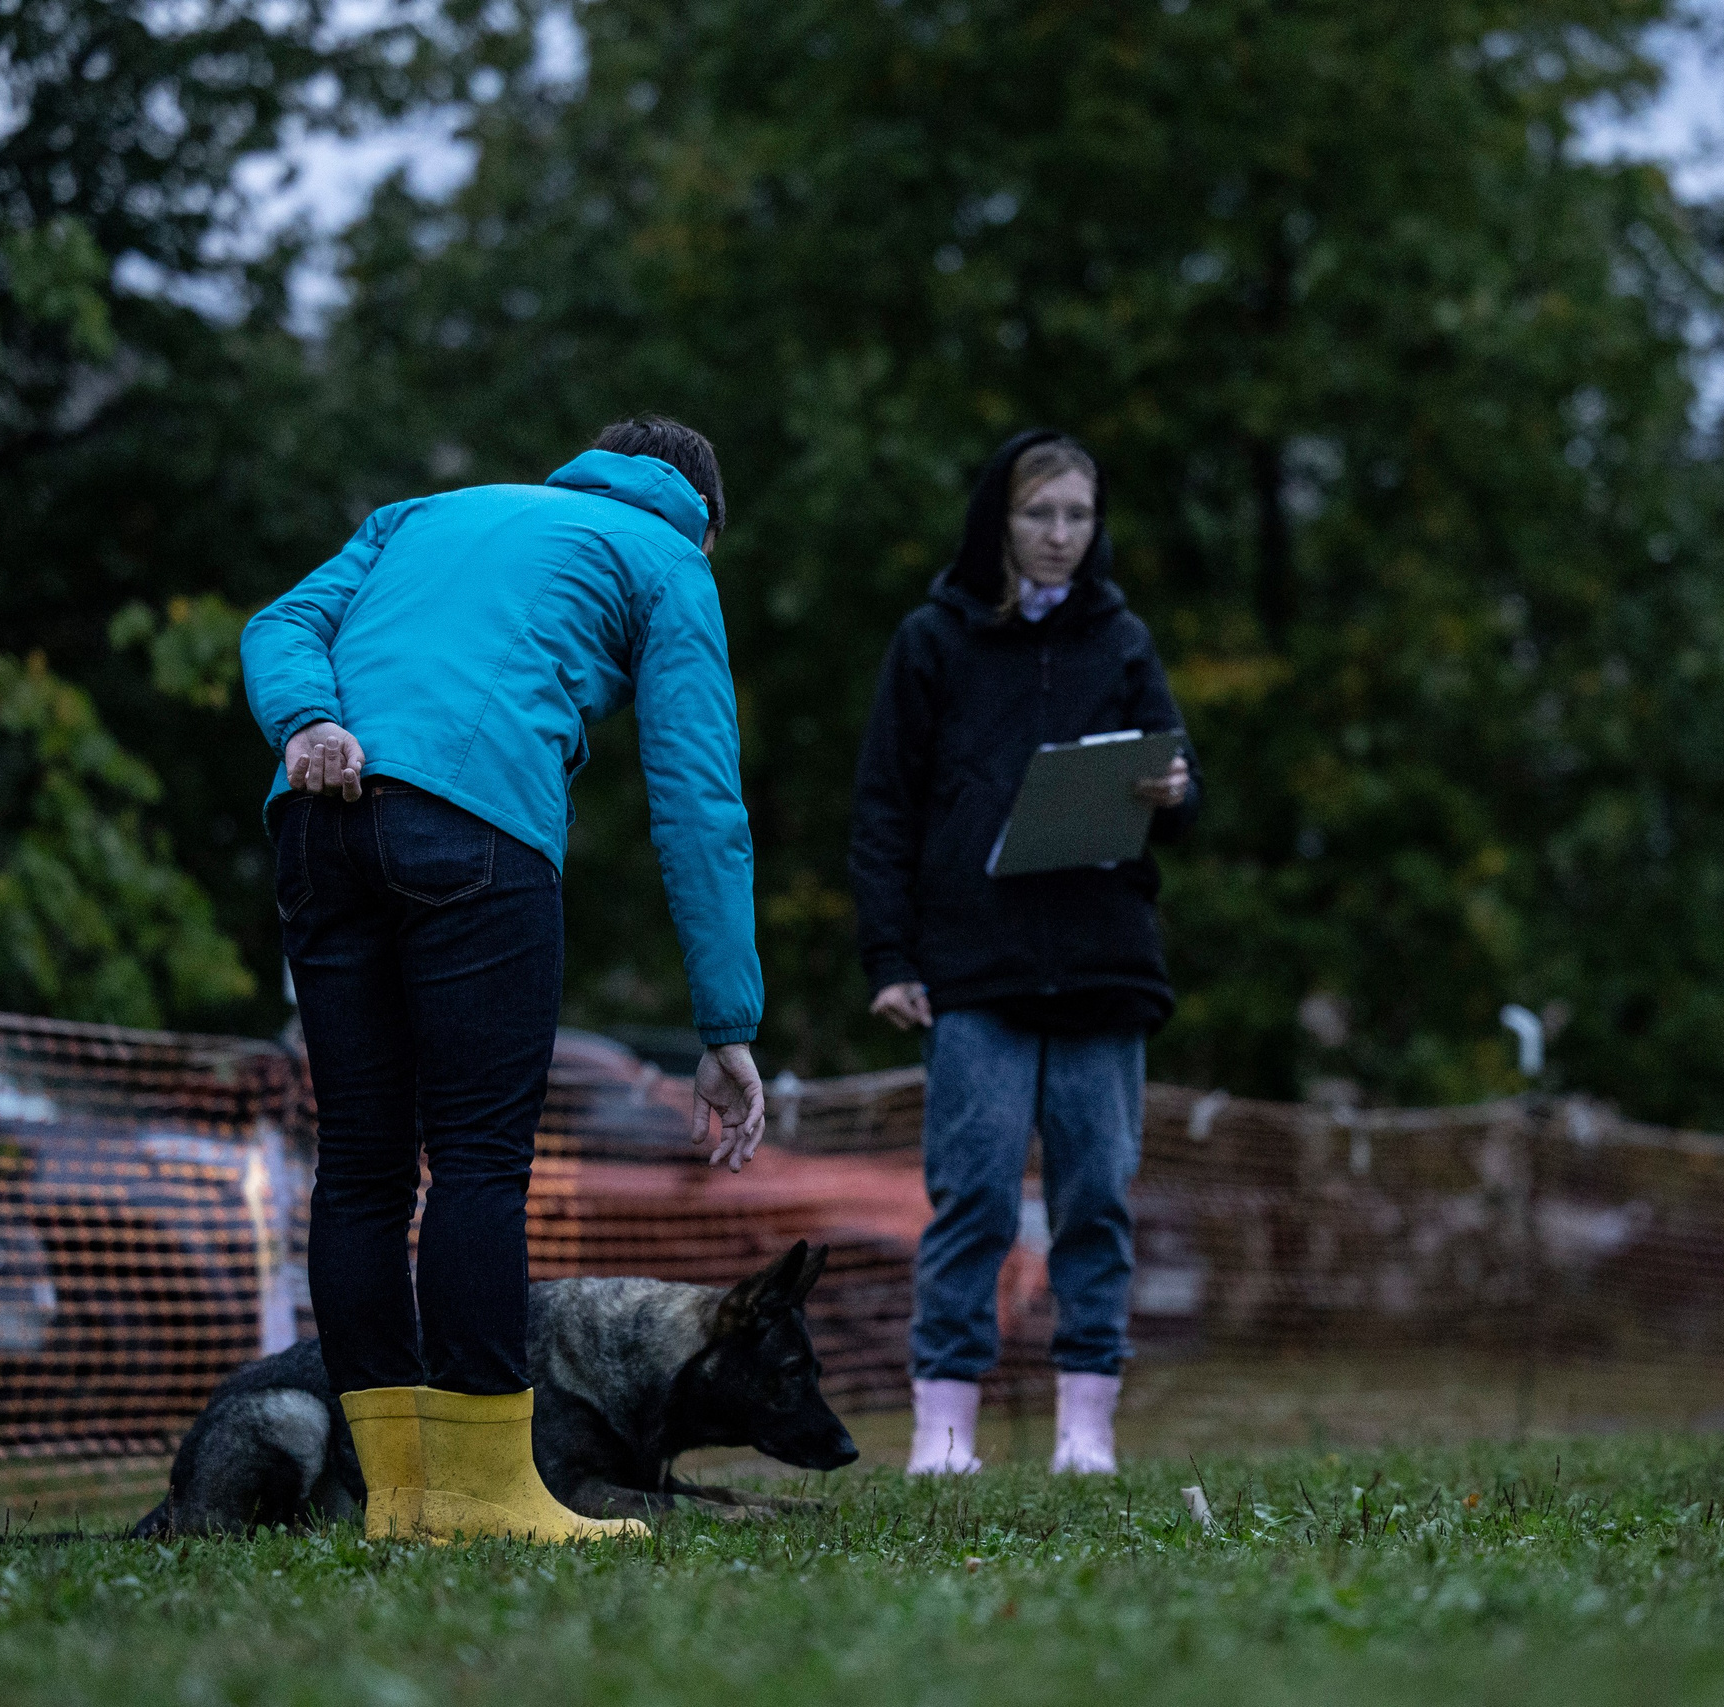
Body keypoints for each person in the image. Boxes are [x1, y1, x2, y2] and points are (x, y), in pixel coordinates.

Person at [239, 416, 767, 1541]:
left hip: (317, 821)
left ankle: (398, 1494)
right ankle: (482, 1493)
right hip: (474, 829)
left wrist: (309, 717)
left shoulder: (425, 513)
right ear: (708, 525)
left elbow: (280, 621)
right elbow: (698, 801)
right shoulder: (669, 558)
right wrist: (728, 1023)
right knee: (478, 1157)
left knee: (364, 1166)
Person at [850, 430, 1199, 1476]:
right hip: (976, 970)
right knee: (975, 1199)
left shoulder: (1122, 640)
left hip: (1102, 964)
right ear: (997, 519)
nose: (1058, 536)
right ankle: (943, 1435)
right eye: (1038, 514)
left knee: (1097, 1198)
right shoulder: (932, 640)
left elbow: (1180, 793)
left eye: (1077, 517)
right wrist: (890, 957)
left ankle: (1085, 1431)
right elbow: (883, 811)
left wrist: (1172, 792)